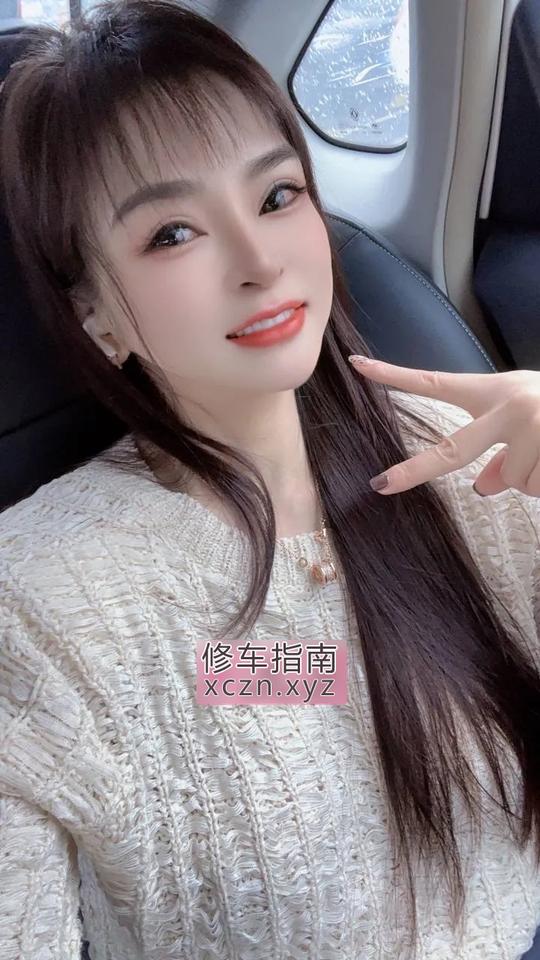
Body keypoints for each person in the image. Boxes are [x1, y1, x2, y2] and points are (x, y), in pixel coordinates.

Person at [1, 1, 540, 957]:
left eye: (278, 195)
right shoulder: (38, 609)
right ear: (94, 316)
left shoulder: (475, 462)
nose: (259, 262)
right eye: (173, 233)